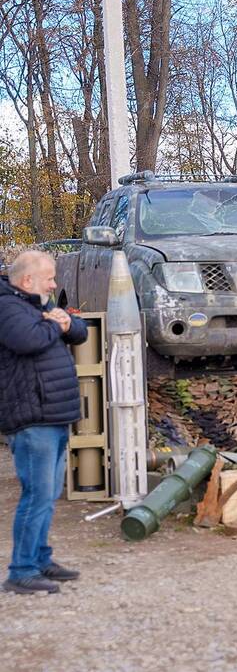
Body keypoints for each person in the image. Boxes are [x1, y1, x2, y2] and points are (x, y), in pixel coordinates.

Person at [1, 250, 87, 594]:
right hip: (31, 415)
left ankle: (40, 559)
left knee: (48, 494)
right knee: (36, 494)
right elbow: (29, 339)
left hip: (53, 412)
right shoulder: (8, 307)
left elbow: (78, 331)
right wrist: (57, 323)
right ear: (27, 281)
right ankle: (21, 570)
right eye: (49, 278)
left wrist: (65, 322)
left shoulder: (37, 306)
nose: (54, 283)